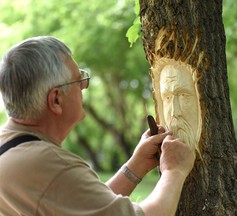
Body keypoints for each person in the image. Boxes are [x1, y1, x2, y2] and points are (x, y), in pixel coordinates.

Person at [0, 36, 196, 215]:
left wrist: (135, 166)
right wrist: (174, 171)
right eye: (79, 80)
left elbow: (87, 207)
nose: (84, 87)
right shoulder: (48, 166)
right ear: (56, 100)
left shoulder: (11, 149)